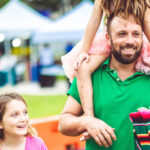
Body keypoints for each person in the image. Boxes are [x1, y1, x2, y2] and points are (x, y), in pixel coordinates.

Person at [59, 12, 150, 150]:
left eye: (136, 34)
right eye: (122, 34)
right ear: (107, 38)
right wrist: (87, 122)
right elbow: (64, 123)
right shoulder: (90, 75)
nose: (130, 41)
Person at [61, 0, 150, 117]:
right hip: (111, 38)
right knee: (83, 67)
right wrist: (84, 51)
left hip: (133, 36)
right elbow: (94, 21)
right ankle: (89, 117)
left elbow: (147, 23)